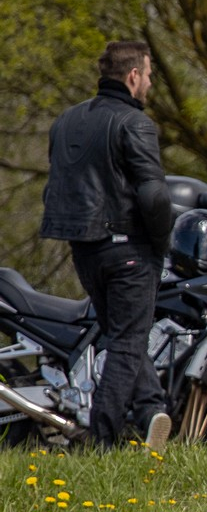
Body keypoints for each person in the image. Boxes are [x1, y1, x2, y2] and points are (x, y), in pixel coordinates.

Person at [39, 40, 173, 453]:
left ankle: (151, 410)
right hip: (128, 246)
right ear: (133, 76)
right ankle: (102, 440)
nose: (150, 83)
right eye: (148, 75)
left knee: (122, 335)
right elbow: (153, 195)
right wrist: (161, 241)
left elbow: (58, 186)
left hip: (84, 249)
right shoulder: (135, 123)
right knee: (130, 341)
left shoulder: (66, 121)